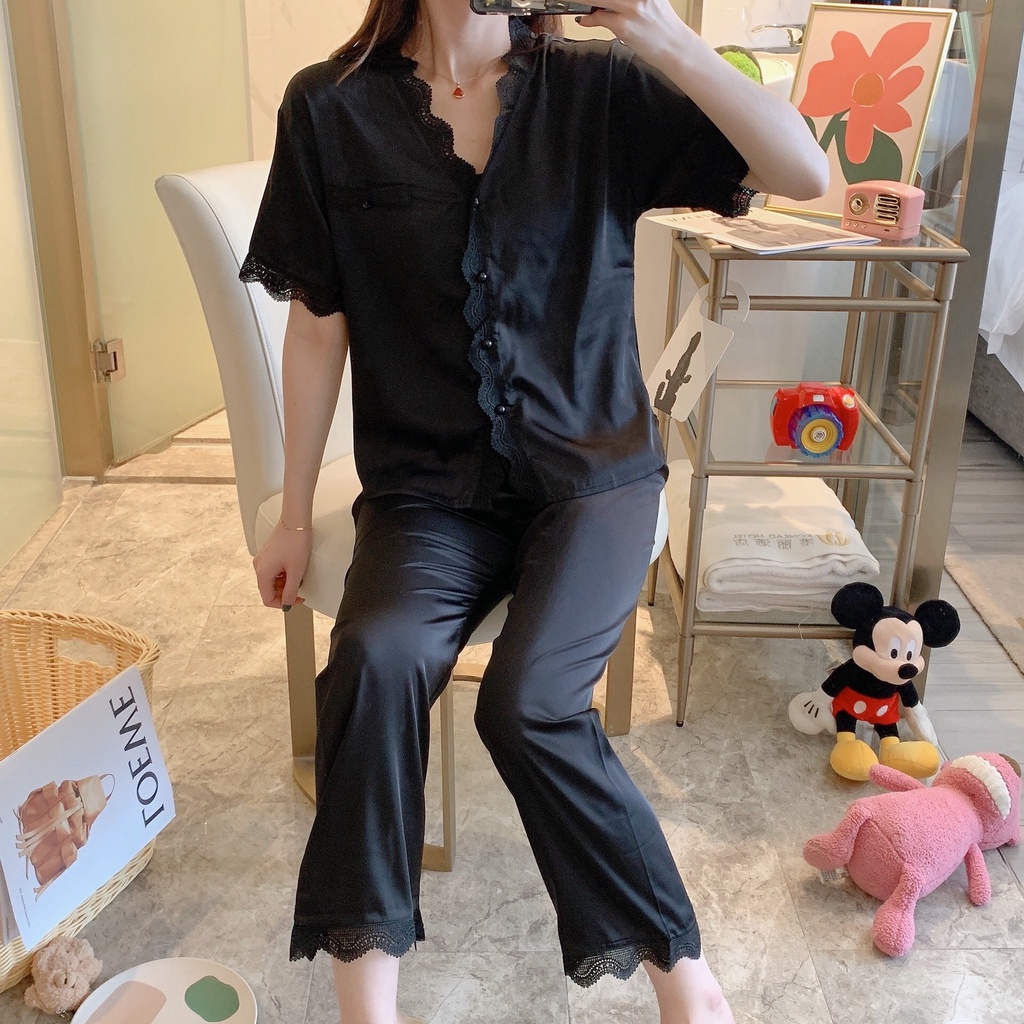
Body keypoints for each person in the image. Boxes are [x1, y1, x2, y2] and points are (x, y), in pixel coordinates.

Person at [241, 1, 827, 1021]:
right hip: (429, 489)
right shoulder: (330, 107)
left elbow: (803, 172)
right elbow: (317, 325)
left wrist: (654, 29)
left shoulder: (600, 87)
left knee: (529, 703)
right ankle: (366, 1008)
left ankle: (687, 984)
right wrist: (293, 510)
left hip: (591, 475)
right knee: (374, 662)